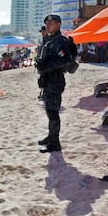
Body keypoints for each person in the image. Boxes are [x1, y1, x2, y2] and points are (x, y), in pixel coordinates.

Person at [36, 14, 71, 153]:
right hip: (48, 80)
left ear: (58, 24)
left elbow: (65, 60)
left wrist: (46, 65)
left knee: (53, 112)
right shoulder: (50, 40)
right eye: (47, 24)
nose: (49, 26)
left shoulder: (60, 41)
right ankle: (51, 136)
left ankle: (55, 143)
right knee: (49, 111)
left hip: (55, 80)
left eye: (51, 23)